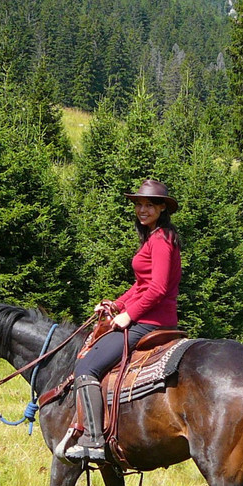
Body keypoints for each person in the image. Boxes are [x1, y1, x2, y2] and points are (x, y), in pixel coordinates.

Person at [62, 179, 182, 462]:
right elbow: (142, 284)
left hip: (152, 321)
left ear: (162, 208)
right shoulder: (153, 237)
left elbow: (159, 289)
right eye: (139, 204)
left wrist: (129, 315)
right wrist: (116, 304)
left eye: (149, 205)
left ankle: (94, 440)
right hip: (148, 315)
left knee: (86, 367)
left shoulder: (162, 240)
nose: (142, 210)